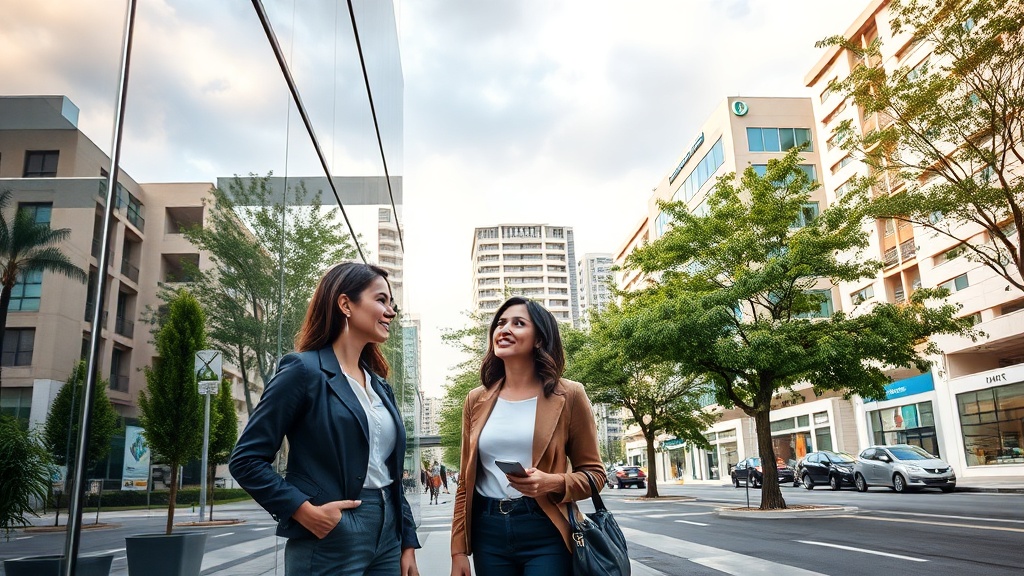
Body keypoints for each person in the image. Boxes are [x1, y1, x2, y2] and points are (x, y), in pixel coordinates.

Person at [230, 262, 420, 576]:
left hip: (388, 533)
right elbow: (247, 459)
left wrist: (407, 541)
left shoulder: (380, 386)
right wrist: (302, 511)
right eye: (381, 300)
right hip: (331, 533)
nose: (391, 312)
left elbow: (391, 473)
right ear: (345, 304)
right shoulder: (303, 371)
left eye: (392, 304)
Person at [450, 296, 605, 576]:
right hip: (488, 532)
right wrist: (458, 550)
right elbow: (465, 482)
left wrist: (552, 482)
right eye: (500, 323)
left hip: (546, 528)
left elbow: (595, 475)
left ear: (538, 339)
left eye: (518, 323)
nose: (504, 329)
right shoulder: (476, 400)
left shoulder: (569, 395)